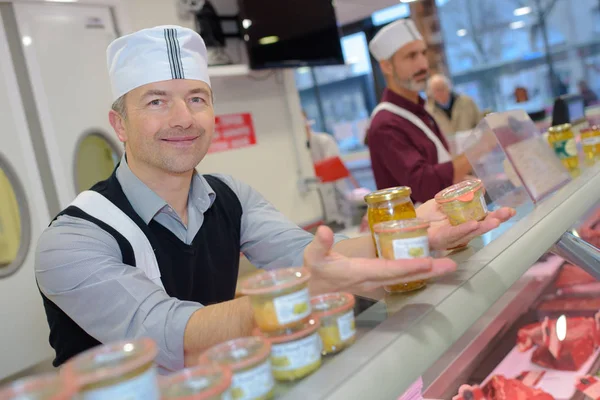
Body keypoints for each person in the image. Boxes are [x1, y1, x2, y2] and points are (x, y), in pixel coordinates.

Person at [35, 25, 514, 373]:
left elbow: (308, 256)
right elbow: (165, 333)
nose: (183, 118)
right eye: (157, 101)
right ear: (119, 124)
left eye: (197, 99)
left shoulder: (229, 197)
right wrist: (301, 289)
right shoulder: (73, 239)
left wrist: (414, 227)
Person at [366, 19, 472, 204]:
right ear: (387, 66)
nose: (423, 64)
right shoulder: (385, 124)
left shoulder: (420, 111)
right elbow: (424, 186)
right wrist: (478, 150)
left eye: (423, 53)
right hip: (415, 230)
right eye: (411, 56)